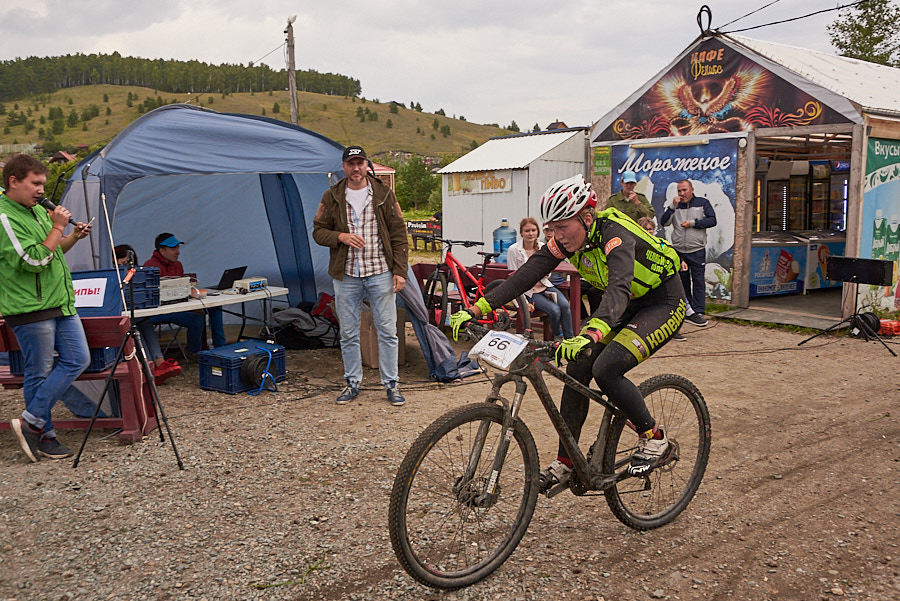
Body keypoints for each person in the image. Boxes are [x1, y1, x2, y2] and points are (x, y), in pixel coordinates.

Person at [449, 174, 685, 489]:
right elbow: (524, 276)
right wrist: (476, 308)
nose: (557, 235)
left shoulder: (616, 234)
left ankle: (654, 438)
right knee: (577, 368)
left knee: (607, 368)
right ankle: (566, 462)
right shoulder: (567, 240)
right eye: (553, 228)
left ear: (587, 218)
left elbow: (618, 287)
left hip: (662, 303)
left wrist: (591, 333)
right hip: (624, 304)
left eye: (563, 227)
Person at [0, 153, 93, 462]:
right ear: (13, 182)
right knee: (38, 371)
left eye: (42, 183)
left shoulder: (37, 211)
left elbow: (53, 252)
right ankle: (46, 437)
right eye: (35, 183)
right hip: (30, 307)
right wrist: (57, 227)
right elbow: (34, 260)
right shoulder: (5, 217)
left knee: (78, 358)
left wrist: (73, 236)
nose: (41, 190)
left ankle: (30, 421)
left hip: (60, 301)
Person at [313, 145, 409, 406]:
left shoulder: (384, 193)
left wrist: (400, 271)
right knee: (348, 332)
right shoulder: (332, 196)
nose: (356, 168)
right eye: (351, 163)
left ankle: (392, 384)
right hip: (346, 275)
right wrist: (340, 236)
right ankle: (352, 383)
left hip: (380, 271)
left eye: (360, 163)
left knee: (388, 331)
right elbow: (318, 231)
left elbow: (399, 234)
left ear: (367, 165)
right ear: (343, 167)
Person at [143, 233, 226, 357]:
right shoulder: (149, 266)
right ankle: (194, 351)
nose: (178, 252)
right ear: (162, 250)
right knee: (196, 319)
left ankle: (220, 348)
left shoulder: (178, 265)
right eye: (173, 249)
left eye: (178, 248)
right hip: (160, 311)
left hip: (180, 305)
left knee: (216, 307)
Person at [114, 245, 182, 383]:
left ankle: (156, 363)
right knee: (137, 325)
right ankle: (153, 364)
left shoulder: (138, 273)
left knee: (142, 322)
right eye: (122, 263)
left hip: (137, 313)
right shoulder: (113, 275)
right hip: (119, 315)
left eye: (128, 264)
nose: (125, 267)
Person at [506, 217, 573, 340]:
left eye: (533, 230)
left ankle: (570, 339)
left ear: (538, 232)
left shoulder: (543, 247)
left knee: (565, 305)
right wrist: (523, 303)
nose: (531, 233)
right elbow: (512, 278)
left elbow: (548, 272)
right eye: (527, 231)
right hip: (528, 291)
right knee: (554, 310)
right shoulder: (514, 250)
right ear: (521, 233)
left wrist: (543, 273)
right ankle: (558, 336)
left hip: (544, 285)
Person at [660, 180, 716, 324]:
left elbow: (712, 220)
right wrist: (672, 207)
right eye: (679, 191)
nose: (682, 194)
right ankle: (686, 310)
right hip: (679, 250)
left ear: (691, 189)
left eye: (684, 190)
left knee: (698, 281)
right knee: (682, 281)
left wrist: (693, 223)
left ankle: (699, 311)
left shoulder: (702, 202)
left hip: (697, 249)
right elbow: (664, 222)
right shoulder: (675, 206)